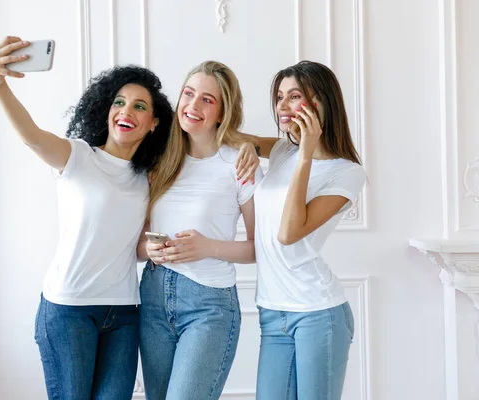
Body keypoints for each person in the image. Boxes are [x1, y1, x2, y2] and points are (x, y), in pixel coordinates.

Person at [0, 36, 173, 400]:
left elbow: (131, 246)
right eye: (119, 102)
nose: (126, 112)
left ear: (153, 123)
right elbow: (31, 136)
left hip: (123, 312)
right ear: (106, 109)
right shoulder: (78, 157)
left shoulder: (146, 178)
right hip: (68, 310)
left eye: (139, 106)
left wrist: (150, 250)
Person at [137, 60, 263, 400]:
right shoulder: (158, 160)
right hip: (153, 297)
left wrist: (208, 247)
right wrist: (149, 250)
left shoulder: (239, 165)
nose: (192, 105)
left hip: (209, 306)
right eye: (189, 94)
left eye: (207, 99)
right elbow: (136, 244)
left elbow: (259, 248)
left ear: (223, 112)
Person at [243, 60, 366, 399]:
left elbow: (288, 232)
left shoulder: (347, 173)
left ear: (320, 102)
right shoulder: (283, 150)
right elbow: (227, 138)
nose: (282, 105)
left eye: (293, 95)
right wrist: (245, 148)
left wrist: (307, 154)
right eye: (279, 96)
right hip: (272, 312)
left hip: (317, 315)